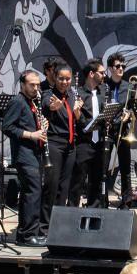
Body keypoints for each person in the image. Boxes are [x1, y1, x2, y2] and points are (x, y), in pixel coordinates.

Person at [1, 70, 49, 246]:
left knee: (32, 193)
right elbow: (7, 127)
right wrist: (31, 134)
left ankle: (26, 233)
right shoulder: (17, 101)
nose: (36, 88)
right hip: (24, 155)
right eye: (32, 85)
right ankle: (28, 235)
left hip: (34, 154)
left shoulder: (32, 102)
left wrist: (43, 126)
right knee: (32, 193)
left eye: (37, 84)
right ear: (22, 85)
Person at [40, 62, 80, 230]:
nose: (64, 82)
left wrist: (77, 112)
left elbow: (76, 118)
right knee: (52, 185)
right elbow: (44, 107)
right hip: (55, 143)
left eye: (67, 79)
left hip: (70, 144)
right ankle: (44, 225)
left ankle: (59, 223)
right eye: (61, 79)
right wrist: (51, 108)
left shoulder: (71, 94)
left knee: (65, 186)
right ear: (54, 78)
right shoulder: (49, 94)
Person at [69, 59, 109, 208]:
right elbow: (77, 120)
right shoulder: (78, 94)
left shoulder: (103, 91)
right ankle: (72, 211)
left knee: (97, 180)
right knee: (77, 180)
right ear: (91, 74)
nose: (104, 75)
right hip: (84, 142)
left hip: (100, 142)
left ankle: (94, 212)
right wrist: (77, 114)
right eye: (101, 72)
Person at [105, 52, 135, 209]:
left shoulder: (129, 86)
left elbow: (132, 108)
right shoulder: (104, 85)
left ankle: (126, 200)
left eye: (123, 66)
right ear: (110, 68)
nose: (121, 68)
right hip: (108, 130)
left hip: (123, 130)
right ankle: (103, 198)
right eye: (118, 66)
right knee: (103, 165)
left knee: (125, 166)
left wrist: (128, 114)